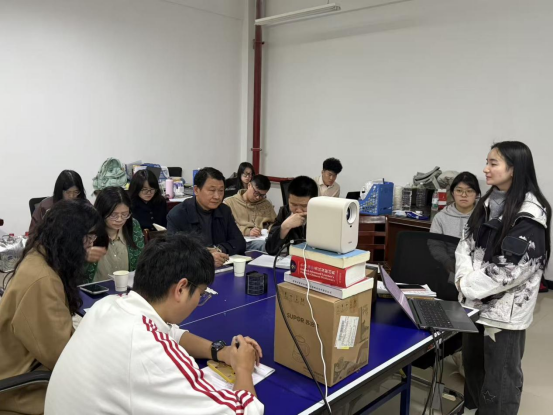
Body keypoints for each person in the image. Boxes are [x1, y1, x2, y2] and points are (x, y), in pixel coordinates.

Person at [45, 234, 264, 415]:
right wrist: (243, 368)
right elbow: (243, 411)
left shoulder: (109, 305)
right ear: (180, 289)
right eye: (201, 293)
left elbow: (171, 333)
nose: (200, 300)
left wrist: (221, 352)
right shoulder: (152, 353)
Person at [455, 141, 551, 415]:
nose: (485, 169)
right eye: (487, 162)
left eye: (493, 163)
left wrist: (467, 284)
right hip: (472, 304)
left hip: (502, 315)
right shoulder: (487, 202)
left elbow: (511, 269)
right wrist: (463, 279)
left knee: (500, 381)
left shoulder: (531, 213)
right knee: (473, 368)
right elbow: (466, 243)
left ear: (513, 168)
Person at [0, 200, 102, 415]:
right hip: (22, 387)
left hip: (26, 368)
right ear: (72, 238)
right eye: (89, 237)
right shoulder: (43, 280)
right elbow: (61, 357)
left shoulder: (39, 256)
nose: (91, 244)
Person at [167, 168, 246, 267]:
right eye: (212, 190)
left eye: (221, 191)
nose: (217, 196)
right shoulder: (178, 214)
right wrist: (206, 257)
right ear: (196, 190)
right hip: (193, 271)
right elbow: (174, 253)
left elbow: (240, 242)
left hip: (223, 267)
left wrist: (219, 249)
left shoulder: (224, 210)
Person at [85, 187, 145, 283]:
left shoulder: (133, 226)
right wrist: (84, 256)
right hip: (95, 290)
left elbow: (141, 262)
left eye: (125, 214)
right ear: (102, 212)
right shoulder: (89, 230)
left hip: (127, 287)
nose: (120, 219)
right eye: (113, 215)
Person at [266, 176, 318, 255]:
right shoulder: (285, 211)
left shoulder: (321, 216)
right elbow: (270, 249)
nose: (298, 210)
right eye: (293, 204)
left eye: (304, 206)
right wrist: (284, 227)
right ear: (289, 199)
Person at [224, 175, 277, 252]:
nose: (258, 197)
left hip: (262, 238)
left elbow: (275, 223)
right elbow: (226, 227)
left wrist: (270, 229)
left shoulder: (266, 203)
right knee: (266, 246)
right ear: (249, 185)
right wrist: (247, 231)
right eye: (256, 193)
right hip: (242, 239)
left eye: (262, 195)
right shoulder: (230, 202)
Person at [29, 170, 88, 236]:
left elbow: (94, 229)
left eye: (76, 192)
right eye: (68, 192)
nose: (72, 196)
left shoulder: (85, 206)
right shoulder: (45, 207)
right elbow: (33, 235)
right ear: (60, 191)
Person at [431, 172, 482, 238]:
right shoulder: (440, 217)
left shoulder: (485, 216)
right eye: (459, 190)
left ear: (477, 194)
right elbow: (434, 243)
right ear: (452, 193)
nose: (464, 195)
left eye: (469, 191)